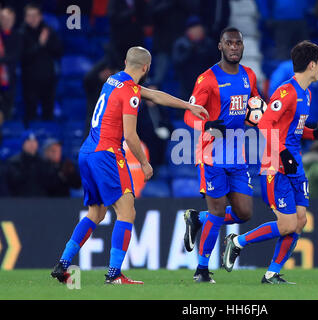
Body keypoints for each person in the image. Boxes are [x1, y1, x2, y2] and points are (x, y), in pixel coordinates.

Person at [51, 46, 208, 285]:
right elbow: (130, 135)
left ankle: (63, 264)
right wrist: (145, 164)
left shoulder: (115, 80)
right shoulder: (131, 92)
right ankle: (114, 274)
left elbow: (155, 96)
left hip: (87, 152)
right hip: (108, 154)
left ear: (126, 62)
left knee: (97, 212)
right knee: (127, 212)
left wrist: (188, 106)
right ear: (146, 68)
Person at [222, 41, 318, 284]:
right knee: (287, 224)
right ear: (312, 65)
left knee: (300, 221)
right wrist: (282, 153)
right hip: (276, 164)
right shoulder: (286, 91)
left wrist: (315, 133)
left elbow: (293, 129)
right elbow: (265, 124)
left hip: (295, 164)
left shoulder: (307, 93)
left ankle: (272, 273)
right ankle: (237, 242)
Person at [182, 27, 260, 283]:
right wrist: (206, 125)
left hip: (238, 155)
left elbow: (255, 106)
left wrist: (259, 116)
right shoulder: (207, 79)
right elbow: (188, 114)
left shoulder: (249, 75)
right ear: (220, 46)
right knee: (217, 212)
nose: (235, 47)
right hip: (211, 154)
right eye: (229, 43)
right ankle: (202, 270)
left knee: (244, 213)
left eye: (238, 43)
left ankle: (197, 218)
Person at [20, 3, 63, 125]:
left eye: (35, 15)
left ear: (40, 16)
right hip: (29, 80)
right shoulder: (21, 33)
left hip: (48, 79)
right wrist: (40, 44)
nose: (32, 19)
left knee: (48, 113)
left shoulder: (48, 31)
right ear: (25, 17)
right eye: (29, 16)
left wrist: (46, 42)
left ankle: (48, 139)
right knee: (30, 113)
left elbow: (59, 51)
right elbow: (23, 56)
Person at [172, 16, 217, 102]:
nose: (197, 31)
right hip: (186, 85)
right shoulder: (181, 44)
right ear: (188, 31)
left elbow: (215, 64)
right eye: (193, 29)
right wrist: (190, 51)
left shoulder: (209, 43)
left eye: (198, 28)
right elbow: (177, 63)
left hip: (205, 84)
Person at [6, 130, 47, 197]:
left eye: (34, 141)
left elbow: (48, 183)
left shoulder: (43, 161)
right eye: (28, 141)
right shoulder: (14, 161)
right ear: (23, 144)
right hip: (21, 201)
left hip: (41, 200)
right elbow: (15, 182)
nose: (32, 144)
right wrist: (27, 164)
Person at [0, 6, 21, 122]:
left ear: (13, 19)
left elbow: (14, 56)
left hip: (9, 82)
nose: (6, 21)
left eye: (9, 19)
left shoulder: (17, 35)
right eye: (3, 18)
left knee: (7, 115)